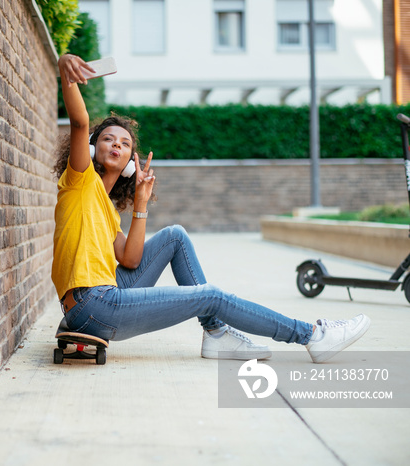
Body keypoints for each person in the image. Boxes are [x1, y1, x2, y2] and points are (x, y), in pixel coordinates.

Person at [51, 54, 370, 363]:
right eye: (108, 139)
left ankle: (216, 333)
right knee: (211, 295)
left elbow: (132, 260)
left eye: (125, 143)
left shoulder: (106, 210)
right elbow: (79, 122)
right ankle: (312, 336)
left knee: (175, 237)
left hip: (102, 300)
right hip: (93, 304)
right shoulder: (80, 180)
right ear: (92, 147)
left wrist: (141, 204)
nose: (117, 145)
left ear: (131, 163)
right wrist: (66, 67)